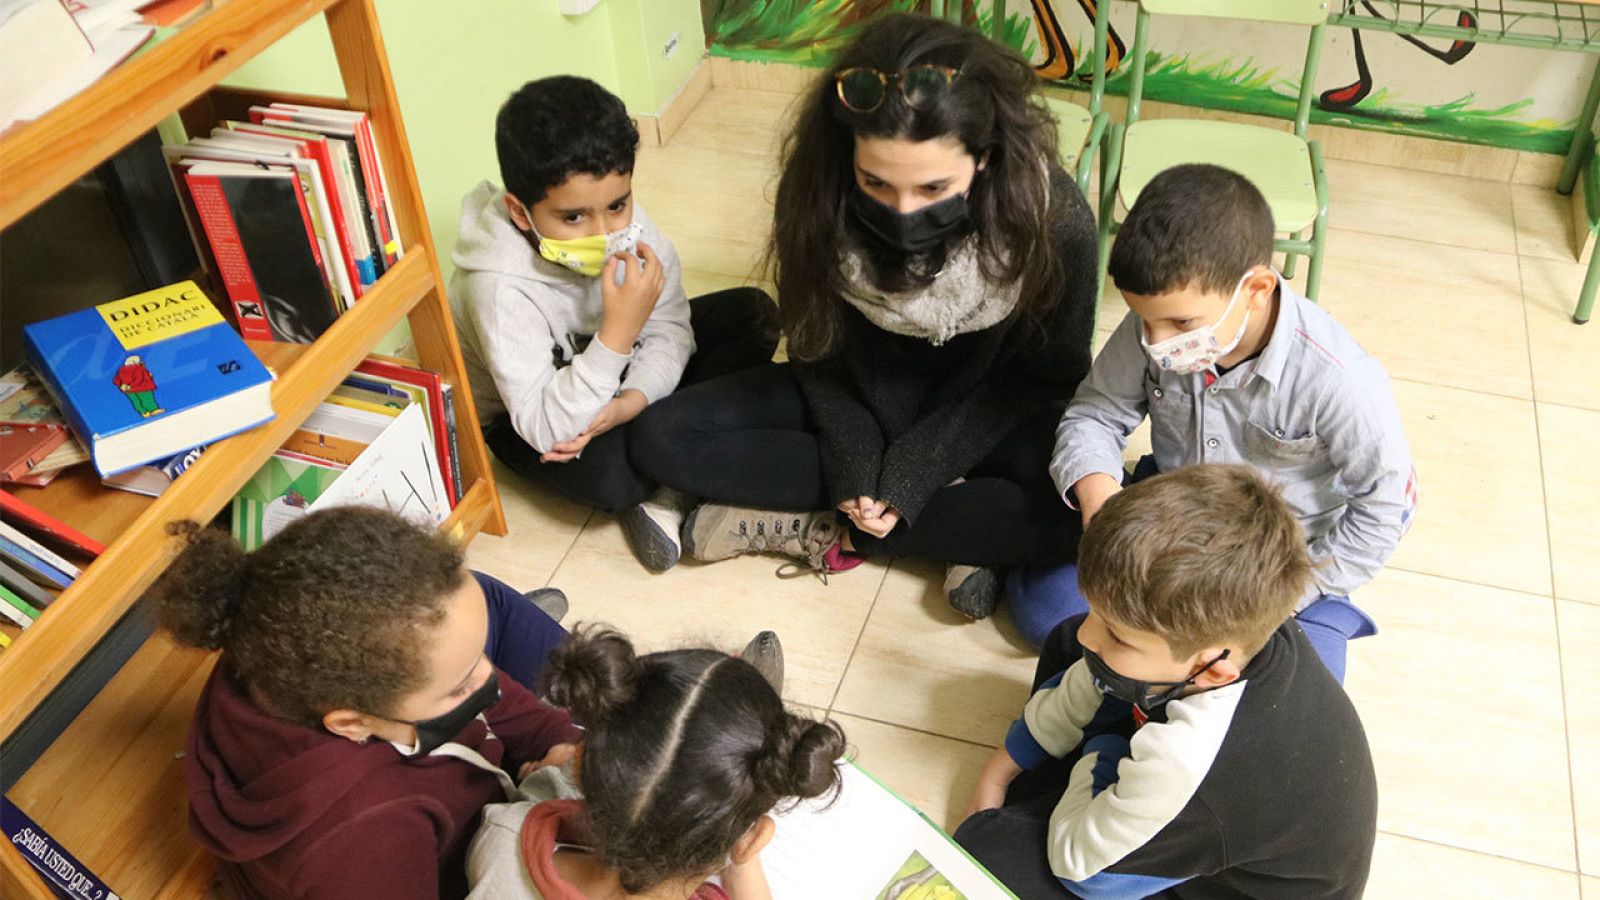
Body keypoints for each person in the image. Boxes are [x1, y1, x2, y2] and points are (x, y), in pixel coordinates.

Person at [630, 14, 1098, 617]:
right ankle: (955, 533)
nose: (903, 212)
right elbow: (815, 348)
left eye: (932, 189)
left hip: (979, 407)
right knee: (662, 438)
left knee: (1079, 507)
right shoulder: (816, 196)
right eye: (876, 182)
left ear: (984, 158)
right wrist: (853, 460)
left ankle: (841, 527)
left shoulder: (1054, 220)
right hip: (856, 392)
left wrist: (914, 473)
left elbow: (1048, 377)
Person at [1013, 163, 1415, 675]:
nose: (1157, 345)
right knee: (1048, 617)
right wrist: (1099, 502)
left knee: (1284, 689)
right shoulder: (1154, 329)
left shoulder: (1340, 379)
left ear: (1257, 289)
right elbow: (1094, 413)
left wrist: (1282, 600)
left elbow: (1383, 509)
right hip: (1173, 528)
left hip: (1284, 562)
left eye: (1181, 323)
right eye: (1146, 321)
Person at [956, 465, 1378, 899]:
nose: (1090, 633)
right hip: (1201, 805)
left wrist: (1107, 752)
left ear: (1213, 669)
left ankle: (1091, 797)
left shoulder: (1194, 762)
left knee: (988, 854)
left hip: (1211, 877)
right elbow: (1086, 663)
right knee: (1071, 644)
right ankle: (1088, 797)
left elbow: (1082, 873)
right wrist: (1000, 769)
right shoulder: (1238, 634)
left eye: (1117, 634)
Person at [155, 506, 582, 900]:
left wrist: (553, 740)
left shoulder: (273, 650)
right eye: (459, 686)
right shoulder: (365, 843)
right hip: (471, 860)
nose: (489, 677)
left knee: (481, 603)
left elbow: (487, 688)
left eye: (478, 659)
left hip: (474, 775)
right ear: (351, 724)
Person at [451, 76, 780, 572]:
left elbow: (671, 328)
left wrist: (631, 403)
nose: (605, 233)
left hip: (612, 390)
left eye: (616, 205)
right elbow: (544, 427)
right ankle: (672, 470)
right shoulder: (496, 288)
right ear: (520, 212)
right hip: (533, 418)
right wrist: (618, 336)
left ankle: (667, 465)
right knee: (613, 480)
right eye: (573, 218)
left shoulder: (632, 226)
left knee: (754, 314)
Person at [466, 626, 846, 899]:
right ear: (750, 839)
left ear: (582, 765)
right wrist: (741, 856)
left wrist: (550, 772)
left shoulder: (502, 834)